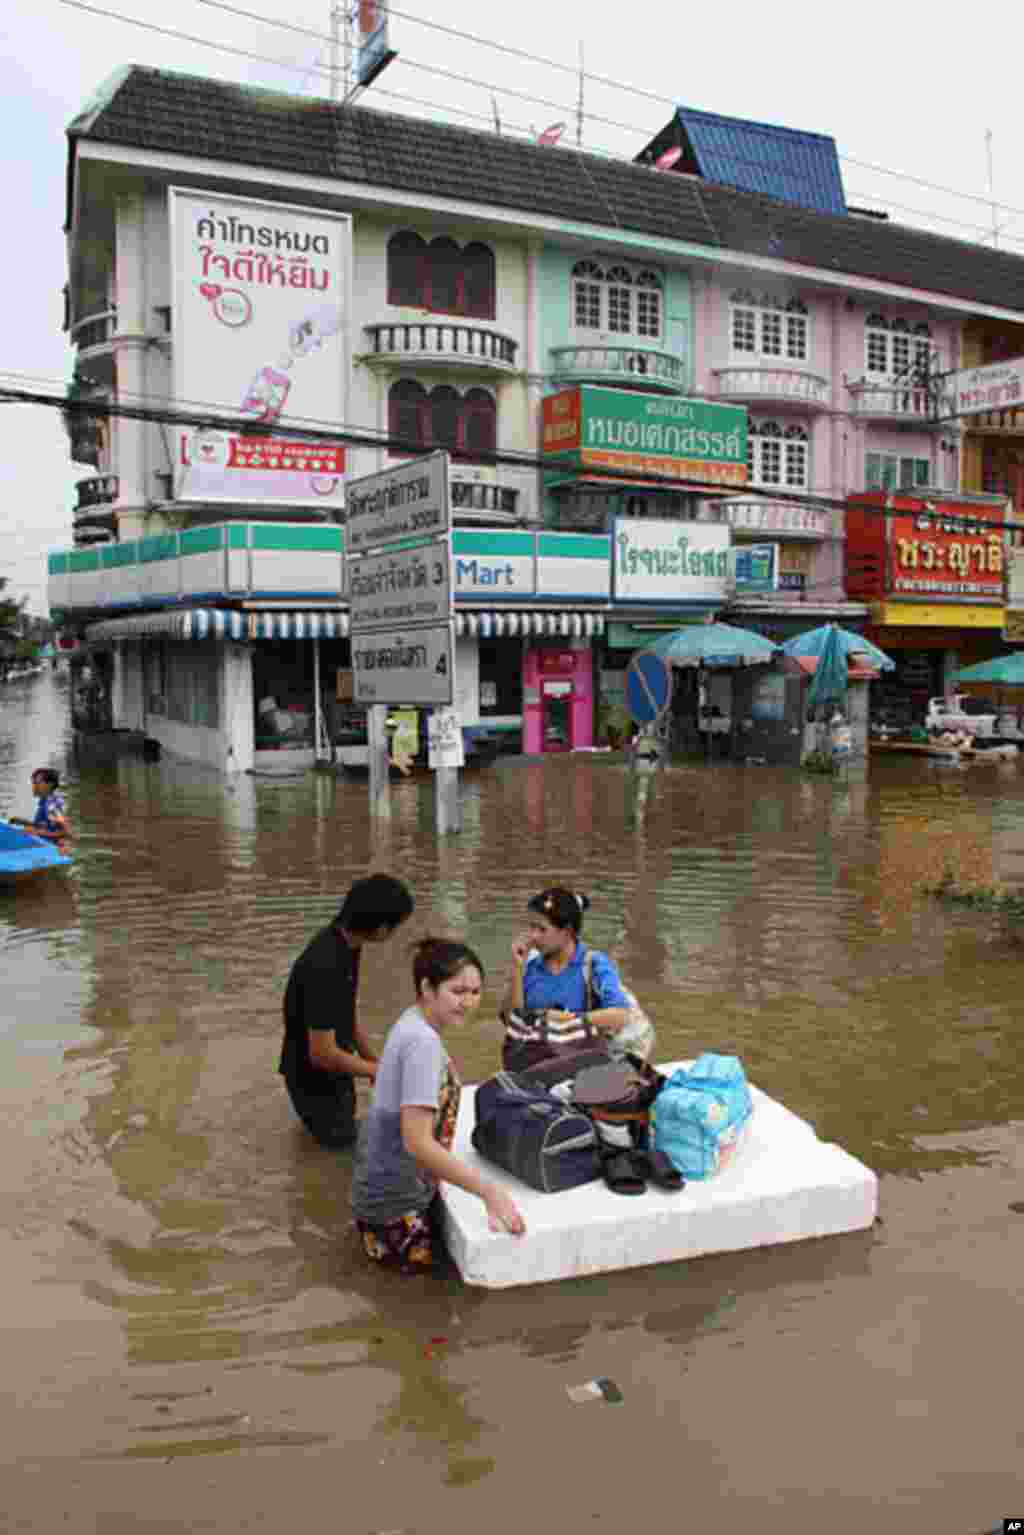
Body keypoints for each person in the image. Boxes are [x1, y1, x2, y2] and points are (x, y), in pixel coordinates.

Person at [352, 937, 525, 1271]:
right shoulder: (422, 1043)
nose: (468, 1002)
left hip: (378, 1192)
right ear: (426, 988)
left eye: (475, 992)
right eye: (457, 991)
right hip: (396, 1208)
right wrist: (489, 1192)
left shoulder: (411, 1020)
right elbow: (416, 1142)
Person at [279, 874, 414, 1149]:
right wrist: (377, 1070)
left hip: (335, 1066)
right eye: (396, 926)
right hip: (312, 1077)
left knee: (344, 1136)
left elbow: (346, 1016)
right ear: (380, 928)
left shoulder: (347, 943)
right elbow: (322, 1054)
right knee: (341, 1154)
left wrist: (374, 1063)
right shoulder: (325, 964)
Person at [505, 886, 632, 1042]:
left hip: (585, 1062)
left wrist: (566, 1019)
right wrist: (517, 969)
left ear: (567, 932)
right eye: (532, 927)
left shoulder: (593, 965)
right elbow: (513, 1023)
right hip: (536, 1061)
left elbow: (621, 1016)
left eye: (542, 929)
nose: (533, 936)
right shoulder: (528, 966)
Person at [9, 768, 71, 851]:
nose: (34, 787)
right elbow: (47, 826)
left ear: (49, 785)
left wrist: (37, 832)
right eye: (33, 783)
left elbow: (66, 832)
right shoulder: (45, 802)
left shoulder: (51, 805)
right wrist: (25, 822)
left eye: (37, 783)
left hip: (50, 851)